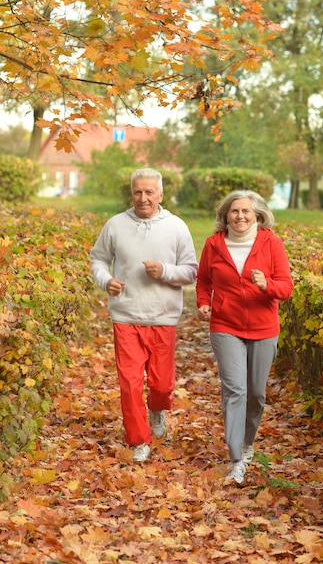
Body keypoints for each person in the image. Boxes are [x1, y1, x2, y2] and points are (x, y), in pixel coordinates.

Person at [90, 168, 198, 462]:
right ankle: (139, 439)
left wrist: (164, 271)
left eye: (149, 192)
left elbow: (191, 271)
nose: (143, 198)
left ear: (161, 195)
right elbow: (98, 260)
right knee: (130, 382)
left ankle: (158, 409)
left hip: (163, 317)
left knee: (161, 385)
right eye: (138, 192)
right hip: (126, 314)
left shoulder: (176, 227)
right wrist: (105, 280)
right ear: (131, 193)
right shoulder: (115, 225)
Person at [196, 189, 293, 485]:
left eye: (245, 211)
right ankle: (236, 458)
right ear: (225, 216)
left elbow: (286, 287)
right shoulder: (214, 245)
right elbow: (203, 279)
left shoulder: (271, 243)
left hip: (264, 327)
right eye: (234, 211)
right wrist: (203, 302)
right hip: (225, 325)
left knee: (255, 393)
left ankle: (248, 443)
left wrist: (267, 285)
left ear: (258, 215)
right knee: (235, 389)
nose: (239, 216)